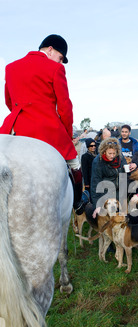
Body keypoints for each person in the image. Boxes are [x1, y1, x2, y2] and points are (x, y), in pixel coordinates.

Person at [0, 34, 85, 214]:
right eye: (61, 58)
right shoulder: (55, 69)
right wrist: (67, 134)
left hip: (14, 129)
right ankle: (78, 203)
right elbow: (64, 107)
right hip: (46, 129)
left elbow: (8, 101)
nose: (60, 63)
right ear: (50, 49)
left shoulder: (11, 67)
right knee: (75, 163)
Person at [90, 138, 127, 218]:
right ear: (104, 151)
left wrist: (130, 167)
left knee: (120, 220)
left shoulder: (120, 157)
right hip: (106, 195)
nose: (112, 156)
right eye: (109, 153)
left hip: (119, 194)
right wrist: (97, 204)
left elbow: (125, 173)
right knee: (108, 221)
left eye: (114, 153)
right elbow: (95, 183)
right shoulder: (98, 162)